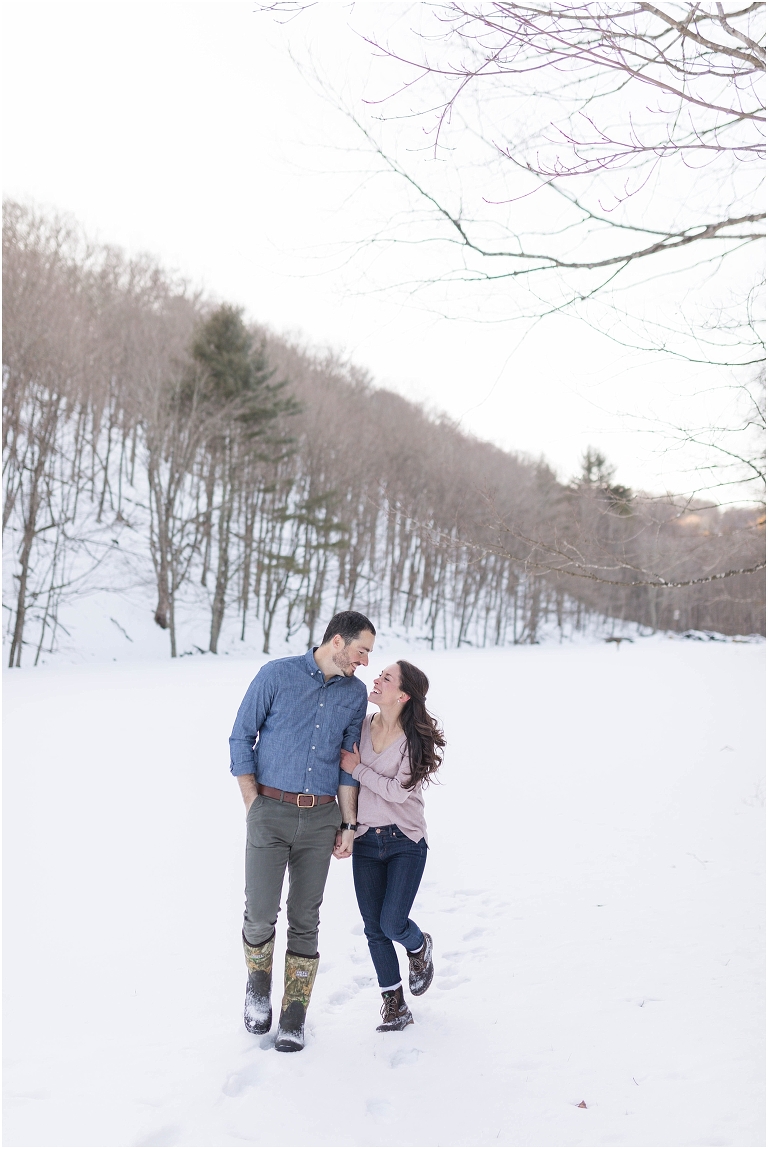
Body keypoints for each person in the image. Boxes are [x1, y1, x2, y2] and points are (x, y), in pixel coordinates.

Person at [229, 610, 376, 1053]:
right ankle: (258, 992)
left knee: (305, 919)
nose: (365, 662)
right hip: (269, 811)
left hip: (320, 820)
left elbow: (348, 766)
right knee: (259, 912)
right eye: (362, 650)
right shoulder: (276, 676)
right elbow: (241, 737)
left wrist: (348, 823)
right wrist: (254, 803)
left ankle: (294, 1013)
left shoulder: (354, 695)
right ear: (337, 642)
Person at [340, 659, 445, 1032]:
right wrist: (346, 826)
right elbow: (347, 781)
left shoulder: (415, 741)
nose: (377, 679)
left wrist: (358, 768)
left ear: (402, 694)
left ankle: (418, 947)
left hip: (406, 840)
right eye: (379, 674)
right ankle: (395, 1006)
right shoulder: (362, 727)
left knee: (391, 922)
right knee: (374, 929)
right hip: (367, 839)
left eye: (386, 677)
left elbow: (398, 792)